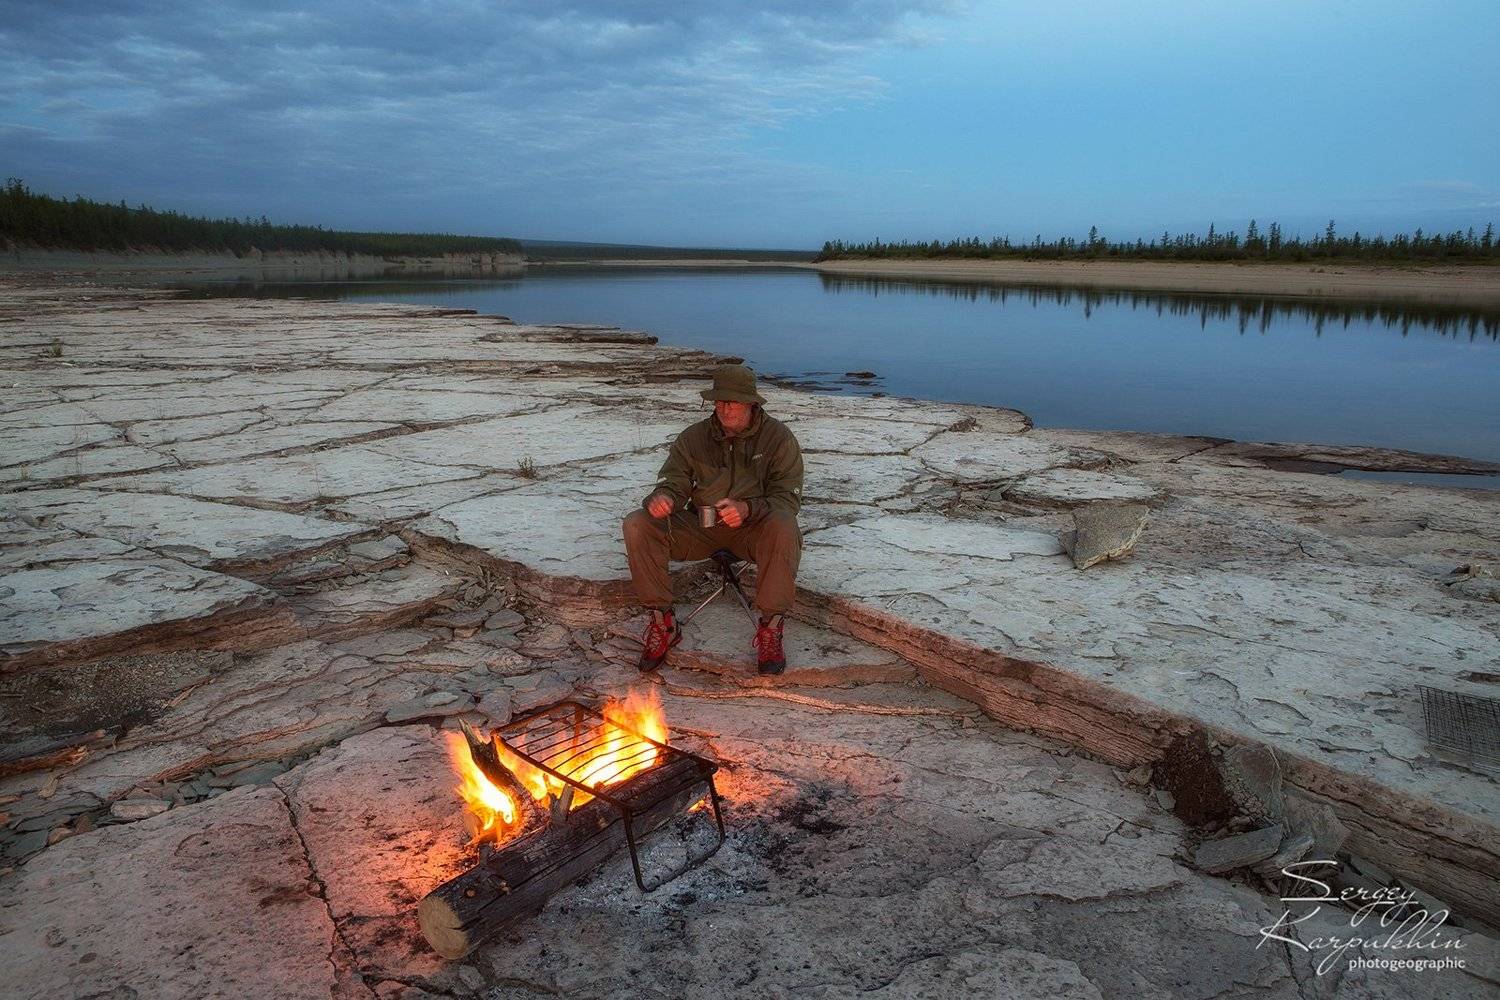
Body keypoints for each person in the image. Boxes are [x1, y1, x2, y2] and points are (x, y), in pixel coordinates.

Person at [622, 364, 803, 674]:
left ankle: (771, 626)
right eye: (719, 401)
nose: (724, 409)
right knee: (637, 523)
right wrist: (664, 497)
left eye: (731, 402)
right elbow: (673, 480)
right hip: (701, 528)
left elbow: (787, 500)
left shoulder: (778, 439)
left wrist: (748, 508)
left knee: (785, 527)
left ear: (750, 403)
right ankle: (662, 622)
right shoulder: (694, 438)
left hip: (753, 531)